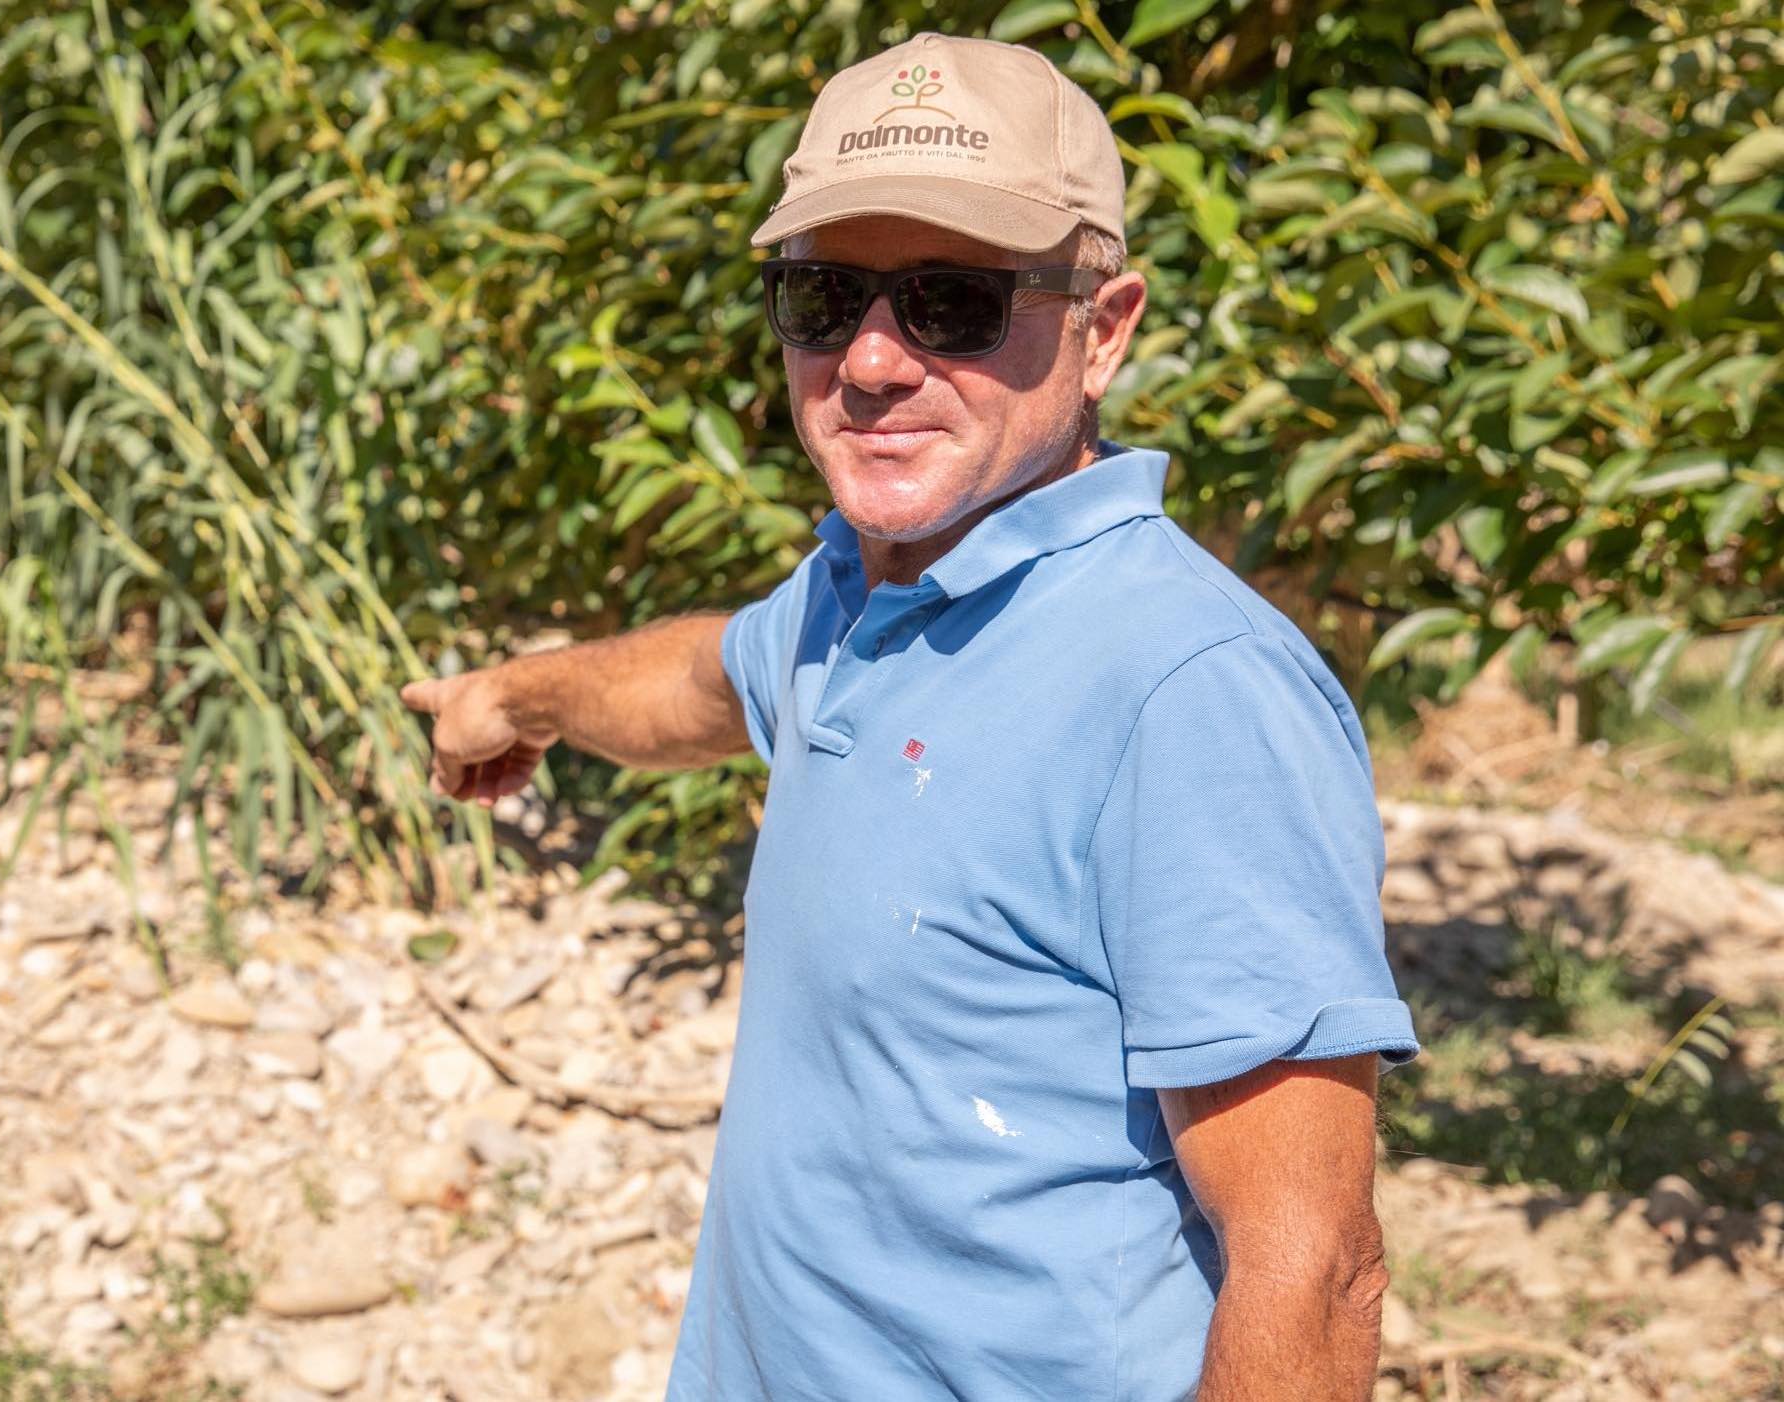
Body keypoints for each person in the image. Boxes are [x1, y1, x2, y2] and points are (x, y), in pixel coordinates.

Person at [398, 31, 1419, 1402]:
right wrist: (511, 699)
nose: (872, 360)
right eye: (824, 297)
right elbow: (703, 683)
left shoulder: (1188, 689)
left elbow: (1314, 1267)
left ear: (1106, 328)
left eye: (953, 300)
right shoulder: (858, 592)